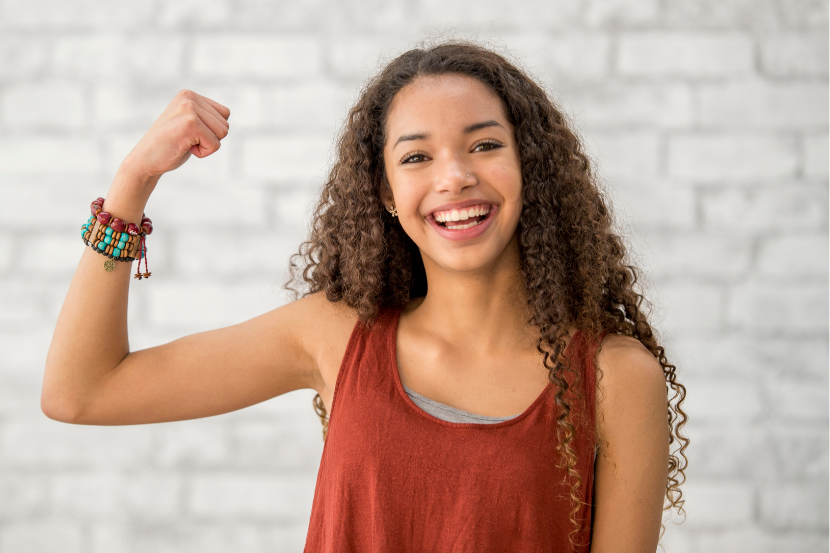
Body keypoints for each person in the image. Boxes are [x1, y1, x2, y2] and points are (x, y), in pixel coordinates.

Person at [43, 40, 688, 552]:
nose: (455, 177)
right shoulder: (336, 334)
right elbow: (82, 391)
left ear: (532, 168)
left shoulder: (614, 378)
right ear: (386, 194)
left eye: (486, 145)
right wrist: (134, 180)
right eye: (416, 157)